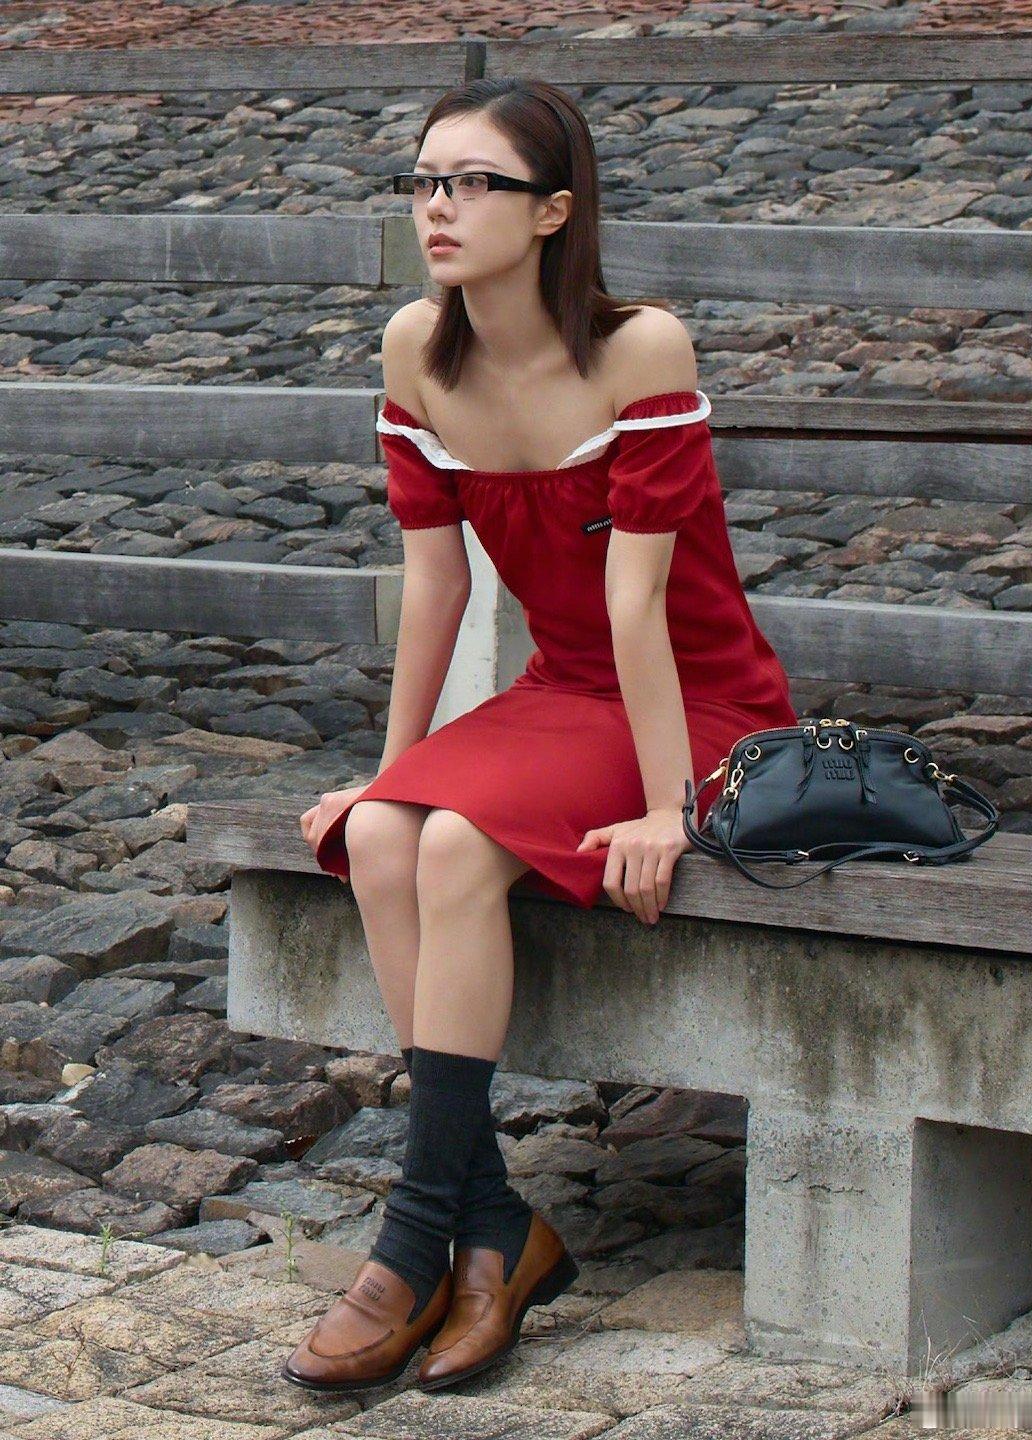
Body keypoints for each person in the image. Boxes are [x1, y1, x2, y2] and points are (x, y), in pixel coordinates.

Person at [284, 76, 798, 1396]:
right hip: (565, 694)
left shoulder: (641, 351)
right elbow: (437, 587)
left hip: (699, 703)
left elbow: (640, 607)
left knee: (457, 846)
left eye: (475, 183)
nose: (439, 207)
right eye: (425, 180)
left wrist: (673, 806)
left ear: (554, 212)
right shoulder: (416, 348)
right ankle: (496, 1226)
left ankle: (419, 1235)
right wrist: (389, 772)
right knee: (387, 835)